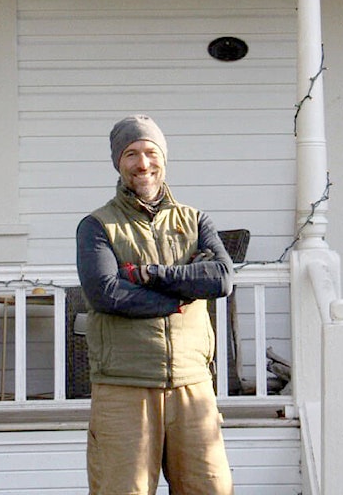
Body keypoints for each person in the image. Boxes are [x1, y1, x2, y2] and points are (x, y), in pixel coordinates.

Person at [75, 114, 235, 495]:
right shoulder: (97, 226)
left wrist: (149, 274)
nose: (142, 163)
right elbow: (106, 294)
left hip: (193, 385)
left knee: (211, 489)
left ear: (164, 157)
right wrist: (184, 292)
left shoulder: (196, 221)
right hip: (124, 386)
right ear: (118, 162)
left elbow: (222, 279)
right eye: (131, 153)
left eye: (150, 152)